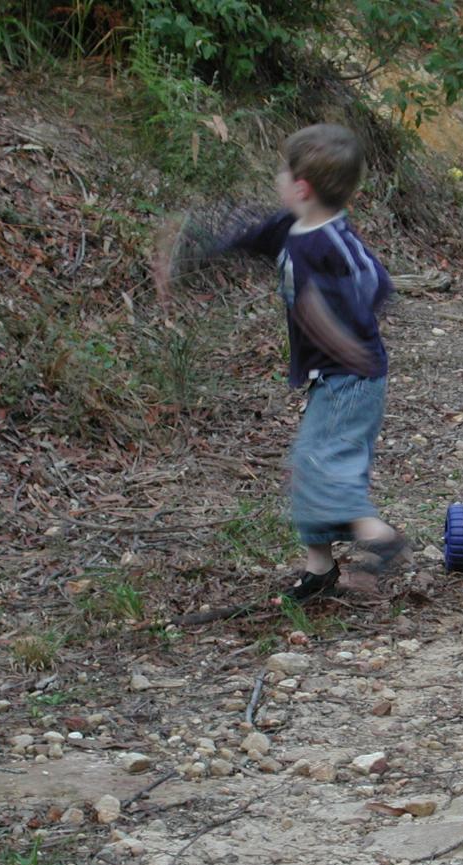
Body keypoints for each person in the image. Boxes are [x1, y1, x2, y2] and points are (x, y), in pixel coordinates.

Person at [156, 123, 405, 601]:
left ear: (302, 186)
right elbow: (242, 239)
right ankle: (319, 569)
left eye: (283, 170)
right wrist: (185, 257)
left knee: (323, 464)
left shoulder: (332, 242)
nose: (278, 177)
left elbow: (376, 282)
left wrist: (335, 323)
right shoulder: (289, 227)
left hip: (352, 377)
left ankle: (379, 537)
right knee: (310, 463)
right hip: (329, 377)